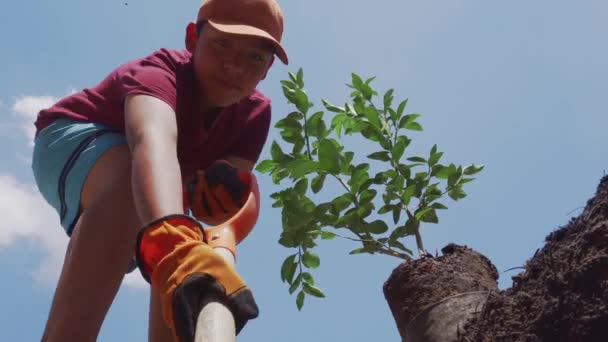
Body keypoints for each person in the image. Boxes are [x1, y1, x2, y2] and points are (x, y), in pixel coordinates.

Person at [31, 0, 288, 341]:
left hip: (157, 180)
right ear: (192, 38)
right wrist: (172, 241)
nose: (234, 65)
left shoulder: (255, 114)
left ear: (267, 69)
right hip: (73, 138)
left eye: (255, 57)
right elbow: (151, 138)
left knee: (191, 256)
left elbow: (216, 204)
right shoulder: (161, 71)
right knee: (160, 222)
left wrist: (214, 205)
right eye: (222, 43)